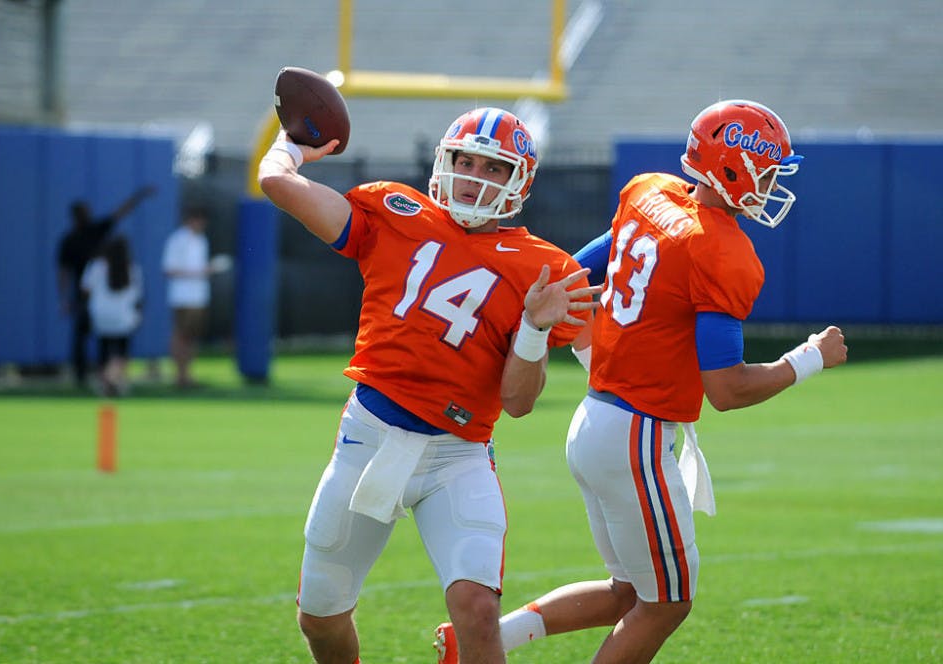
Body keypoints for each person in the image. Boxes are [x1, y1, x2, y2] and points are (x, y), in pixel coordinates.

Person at [434, 99, 850, 663]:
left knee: (628, 592)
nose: (773, 184)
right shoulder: (723, 251)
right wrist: (809, 359)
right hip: (637, 436)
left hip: (596, 423)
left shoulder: (650, 191)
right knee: (668, 602)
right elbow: (726, 390)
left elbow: (578, 274)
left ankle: (482, 641)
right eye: (768, 170)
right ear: (735, 167)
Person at [257, 106, 601, 664]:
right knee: (320, 619)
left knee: (478, 613)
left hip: (457, 457)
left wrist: (535, 327)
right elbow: (277, 181)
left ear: (519, 183)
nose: (473, 176)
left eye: (492, 168)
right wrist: (292, 144)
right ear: (444, 161)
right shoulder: (395, 209)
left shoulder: (544, 270)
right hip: (369, 440)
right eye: (465, 161)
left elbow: (518, 402)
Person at [57, 185, 156, 387]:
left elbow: (66, 274)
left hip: (92, 302)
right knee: (113, 344)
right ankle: (103, 377)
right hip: (106, 307)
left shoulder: (89, 246)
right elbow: (64, 271)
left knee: (91, 339)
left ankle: (93, 376)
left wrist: (67, 298)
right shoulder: (129, 267)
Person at [80, 235, 143, 397]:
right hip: (123, 317)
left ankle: (105, 381)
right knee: (121, 351)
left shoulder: (96, 267)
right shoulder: (133, 269)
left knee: (104, 350)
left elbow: (85, 290)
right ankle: (113, 378)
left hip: (101, 317)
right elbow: (137, 297)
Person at [162, 207, 214, 388]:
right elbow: (169, 269)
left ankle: (187, 374)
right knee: (181, 335)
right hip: (182, 297)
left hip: (198, 297)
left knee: (192, 336)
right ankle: (179, 374)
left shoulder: (201, 240)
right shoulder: (177, 240)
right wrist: (199, 272)